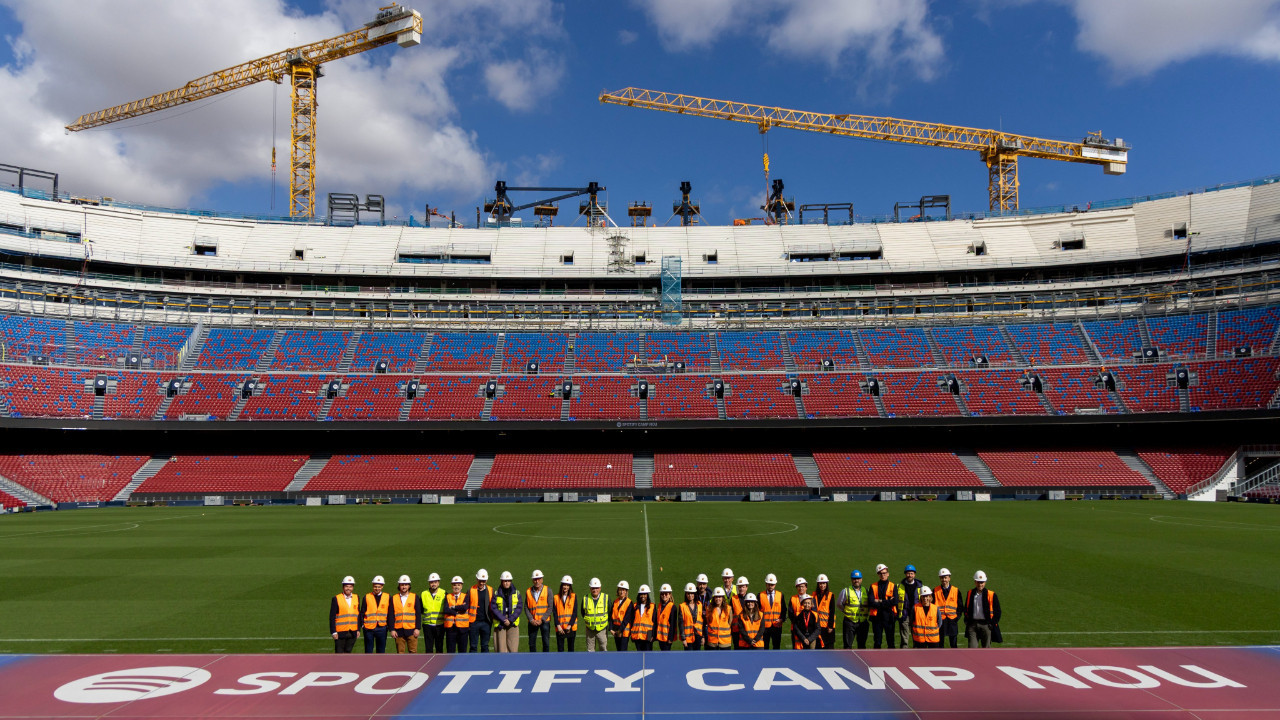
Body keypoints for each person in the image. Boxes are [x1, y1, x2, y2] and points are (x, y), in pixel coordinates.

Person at [963, 570, 1002, 648]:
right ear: (975, 582)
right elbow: (966, 608)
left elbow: (998, 611)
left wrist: (992, 623)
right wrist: (967, 620)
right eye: (978, 582)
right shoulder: (970, 593)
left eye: (982, 582)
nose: (980, 584)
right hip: (973, 625)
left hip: (986, 625)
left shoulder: (991, 594)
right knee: (972, 648)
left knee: (986, 650)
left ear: (985, 583)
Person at [836, 570, 870, 649]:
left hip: (862, 622)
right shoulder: (846, 591)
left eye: (858, 578)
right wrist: (847, 612)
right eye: (854, 579)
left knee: (862, 646)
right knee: (848, 646)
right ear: (851, 580)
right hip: (849, 622)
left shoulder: (867, 591)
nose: (856, 581)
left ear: (861, 579)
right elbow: (839, 604)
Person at [491, 571, 522, 653]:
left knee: (513, 648)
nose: (507, 583)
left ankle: (512, 665)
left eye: (508, 581)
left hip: (513, 623)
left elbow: (519, 608)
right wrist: (503, 619)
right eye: (505, 581)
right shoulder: (496, 594)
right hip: (501, 623)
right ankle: (501, 665)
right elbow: (494, 608)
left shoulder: (517, 593)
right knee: (500, 649)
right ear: (501, 581)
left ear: (511, 581)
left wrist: (510, 619)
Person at [896, 565, 926, 649]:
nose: (910, 575)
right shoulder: (899, 586)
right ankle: (904, 655)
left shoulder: (921, 587)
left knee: (916, 637)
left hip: (917, 615)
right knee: (904, 639)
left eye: (911, 573)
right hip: (904, 614)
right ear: (905, 574)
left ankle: (916, 655)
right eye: (908, 573)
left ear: (914, 574)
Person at [391, 575, 422, 653]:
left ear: (409, 586)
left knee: (413, 653)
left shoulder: (415, 597)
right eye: (402, 585)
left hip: (412, 631)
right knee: (400, 653)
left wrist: (417, 628)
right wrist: (392, 629)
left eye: (406, 585)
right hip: (398, 631)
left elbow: (418, 614)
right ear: (399, 586)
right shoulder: (394, 598)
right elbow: (391, 615)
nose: (404, 587)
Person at [869, 564, 897, 649]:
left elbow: (895, 601)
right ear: (878, 574)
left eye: (884, 573)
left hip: (889, 617)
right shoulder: (873, 586)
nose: (883, 575)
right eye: (880, 573)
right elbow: (871, 602)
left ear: (888, 573)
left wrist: (880, 601)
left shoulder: (893, 586)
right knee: (877, 642)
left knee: (891, 642)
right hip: (877, 618)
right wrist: (888, 601)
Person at [330, 575, 359, 654]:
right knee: (339, 654)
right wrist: (333, 632)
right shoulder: (336, 598)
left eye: (350, 586)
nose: (348, 588)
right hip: (340, 632)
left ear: (353, 587)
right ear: (343, 587)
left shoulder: (356, 598)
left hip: (352, 632)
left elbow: (358, 615)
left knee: (348, 653)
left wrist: (358, 629)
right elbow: (332, 617)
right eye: (346, 586)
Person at [361, 575, 390, 654]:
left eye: (379, 587)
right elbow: (362, 612)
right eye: (375, 586)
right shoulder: (367, 597)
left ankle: (380, 665)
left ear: (382, 586)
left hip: (382, 627)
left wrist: (389, 626)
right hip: (369, 628)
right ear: (373, 586)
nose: (377, 588)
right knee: (368, 650)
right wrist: (362, 624)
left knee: (381, 651)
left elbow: (390, 613)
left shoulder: (387, 597)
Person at [933, 568, 960, 649]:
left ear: (949, 578)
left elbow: (960, 606)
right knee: (940, 644)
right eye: (942, 577)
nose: (944, 579)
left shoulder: (956, 590)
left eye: (945, 577)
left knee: (953, 644)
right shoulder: (935, 590)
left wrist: (956, 618)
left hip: (952, 621)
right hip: (941, 621)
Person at [525, 569, 551, 652]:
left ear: (542, 579)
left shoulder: (548, 590)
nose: (537, 581)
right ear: (532, 580)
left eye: (539, 579)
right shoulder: (528, 591)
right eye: (535, 579)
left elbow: (550, 607)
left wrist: (542, 619)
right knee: (532, 644)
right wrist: (531, 619)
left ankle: (545, 662)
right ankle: (533, 662)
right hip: (533, 622)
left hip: (544, 622)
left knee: (546, 643)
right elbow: (526, 607)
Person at [443, 575, 470, 653]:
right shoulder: (447, 596)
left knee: (462, 651)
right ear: (452, 586)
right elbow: (446, 609)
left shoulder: (465, 596)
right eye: (455, 585)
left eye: (458, 585)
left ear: (461, 586)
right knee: (450, 651)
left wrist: (453, 607)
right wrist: (457, 611)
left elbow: (465, 608)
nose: (456, 587)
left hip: (462, 627)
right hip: (451, 628)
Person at [468, 569, 493, 653]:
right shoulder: (471, 590)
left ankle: (485, 665)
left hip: (486, 622)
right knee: (473, 646)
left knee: (485, 646)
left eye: (484, 581)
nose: (482, 583)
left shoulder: (490, 590)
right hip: (474, 622)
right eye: (480, 581)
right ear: (476, 579)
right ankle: (472, 665)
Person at [421, 573, 446, 653]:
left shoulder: (444, 593)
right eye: (432, 582)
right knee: (428, 648)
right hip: (427, 625)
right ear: (429, 583)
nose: (433, 584)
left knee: (439, 647)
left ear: (438, 583)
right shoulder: (424, 594)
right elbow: (421, 609)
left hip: (440, 625)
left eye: (435, 582)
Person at [581, 577, 608, 651]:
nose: (595, 590)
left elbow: (610, 611)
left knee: (603, 648)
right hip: (590, 629)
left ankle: (603, 663)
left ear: (600, 588)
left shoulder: (606, 598)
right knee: (590, 650)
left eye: (597, 588)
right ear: (590, 588)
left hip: (602, 629)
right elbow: (583, 612)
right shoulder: (585, 598)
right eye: (593, 588)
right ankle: (591, 663)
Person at [758, 573, 785, 650]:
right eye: (769, 584)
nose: (770, 586)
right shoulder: (760, 595)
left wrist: (782, 619)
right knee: (764, 647)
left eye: (772, 585)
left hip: (777, 626)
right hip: (764, 627)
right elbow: (757, 611)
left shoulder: (780, 595)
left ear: (775, 584)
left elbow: (784, 609)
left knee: (776, 647)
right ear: (766, 584)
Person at [554, 575, 578, 652]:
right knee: (560, 650)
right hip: (560, 628)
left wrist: (569, 625)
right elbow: (554, 613)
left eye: (567, 585)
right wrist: (558, 626)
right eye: (564, 585)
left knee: (571, 649)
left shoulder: (574, 596)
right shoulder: (556, 597)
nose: (566, 587)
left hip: (571, 628)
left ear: (570, 587)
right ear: (561, 585)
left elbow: (574, 612)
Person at [629, 585, 656, 651]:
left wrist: (653, 635)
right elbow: (632, 621)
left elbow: (654, 622)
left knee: (648, 656)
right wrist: (632, 634)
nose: (643, 596)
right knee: (639, 655)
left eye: (645, 594)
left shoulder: (652, 606)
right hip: (637, 635)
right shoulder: (635, 606)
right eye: (641, 594)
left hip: (648, 636)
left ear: (647, 595)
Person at [609, 580, 634, 651]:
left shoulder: (629, 602)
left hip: (624, 632)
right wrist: (611, 628)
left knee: (623, 651)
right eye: (620, 590)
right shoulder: (615, 601)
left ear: (626, 591)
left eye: (623, 590)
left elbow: (626, 619)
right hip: (616, 631)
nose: (622, 592)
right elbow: (611, 616)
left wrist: (620, 631)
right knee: (618, 650)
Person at [680, 582, 704, 650]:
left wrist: (702, 636)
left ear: (694, 594)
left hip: (698, 635)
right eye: (688, 593)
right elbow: (681, 624)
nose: (690, 595)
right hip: (688, 637)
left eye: (692, 593)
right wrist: (683, 638)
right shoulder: (682, 606)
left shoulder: (699, 605)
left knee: (697, 657)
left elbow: (702, 621)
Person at [813, 574, 835, 649]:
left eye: (824, 583)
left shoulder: (830, 595)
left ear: (826, 584)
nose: (822, 585)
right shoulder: (814, 595)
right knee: (818, 647)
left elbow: (832, 612)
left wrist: (830, 626)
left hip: (827, 627)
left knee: (829, 648)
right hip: (817, 626)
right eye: (820, 583)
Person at [655, 584, 677, 651]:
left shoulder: (672, 607)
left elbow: (673, 624)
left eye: (666, 594)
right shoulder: (660, 605)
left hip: (667, 638)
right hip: (660, 637)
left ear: (670, 594)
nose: (664, 595)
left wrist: (670, 638)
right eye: (662, 594)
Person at [730, 576, 749, 647]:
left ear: (746, 587)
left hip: (748, 629)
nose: (741, 589)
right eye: (740, 587)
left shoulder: (750, 598)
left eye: (743, 587)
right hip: (736, 630)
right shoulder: (733, 599)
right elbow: (730, 614)